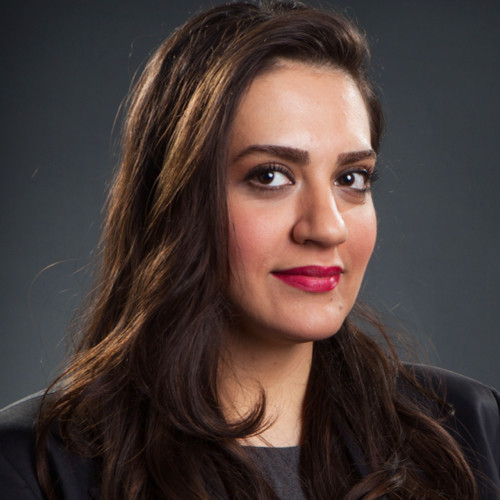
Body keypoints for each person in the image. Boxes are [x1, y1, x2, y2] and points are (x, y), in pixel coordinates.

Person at [0, 1, 499, 499]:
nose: (328, 228)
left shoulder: (472, 431)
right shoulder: (32, 467)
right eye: (270, 176)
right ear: (175, 198)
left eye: (351, 178)